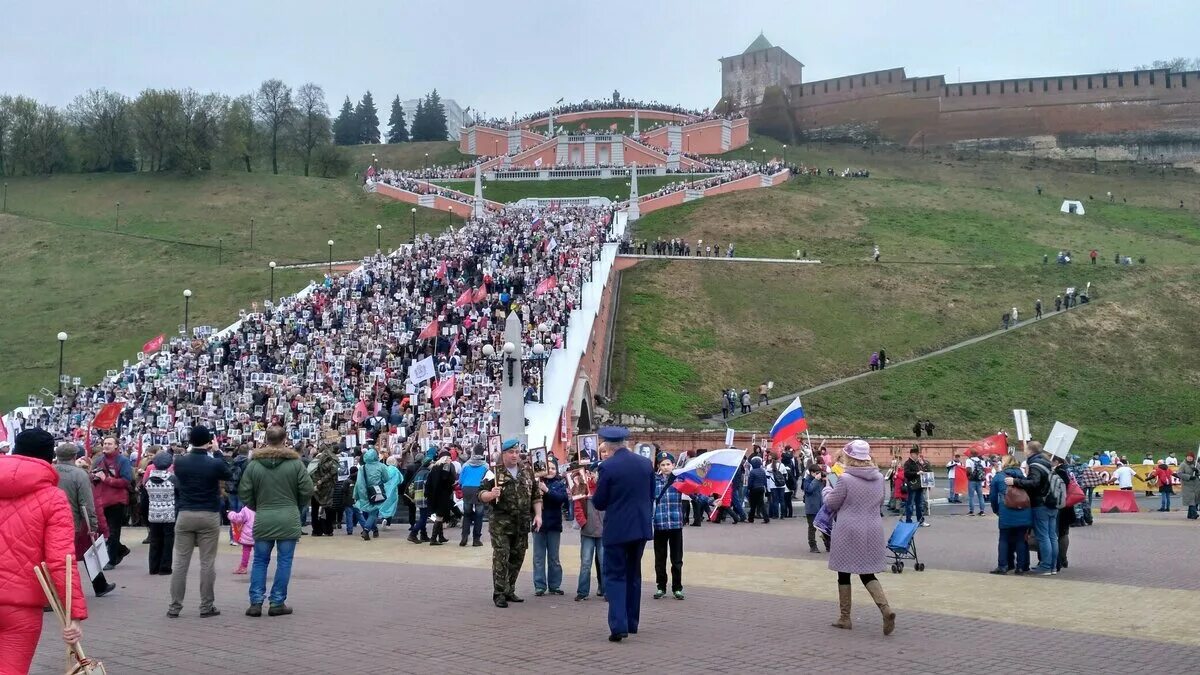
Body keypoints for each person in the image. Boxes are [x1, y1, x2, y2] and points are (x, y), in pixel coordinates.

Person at [1, 429, 88, 674]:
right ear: (49, 458)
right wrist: (74, 614)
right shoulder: (53, 498)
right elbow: (61, 560)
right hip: (22, 605)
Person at [237, 425, 314, 617]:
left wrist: (257, 505)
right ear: (284, 439)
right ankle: (277, 601)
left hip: (264, 516)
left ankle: (255, 602)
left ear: (266, 439)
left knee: (260, 561)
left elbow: (244, 492)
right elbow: (307, 489)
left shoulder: (254, 465)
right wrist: (296, 505)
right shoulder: (295, 464)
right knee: (284, 561)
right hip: (288, 516)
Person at [824, 440, 895, 636]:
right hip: (872, 528)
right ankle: (885, 609)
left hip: (848, 529)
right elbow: (880, 500)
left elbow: (832, 503)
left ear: (850, 457)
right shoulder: (879, 478)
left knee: (844, 572)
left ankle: (845, 617)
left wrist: (827, 489)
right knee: (867, 573)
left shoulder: (845, 479)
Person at [591, 426, 654, 642]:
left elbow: (599, 502)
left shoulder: (607, 467)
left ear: (608, 446)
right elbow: (651, 495)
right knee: (633, 573)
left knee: (615, 575)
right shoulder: (645, 464)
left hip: (617, 529)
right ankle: (632, 621)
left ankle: (618, 625)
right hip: (640, 527)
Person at [169, 425, 233, 618]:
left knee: (180, 562)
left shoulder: (179, 462)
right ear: (208, 441)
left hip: (185, 513)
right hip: (208, 513)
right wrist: (218, 452)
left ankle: (175, 606)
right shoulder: (213, 463)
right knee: (207, 562)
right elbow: (228, 473)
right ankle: (206, 605)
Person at [480, 438, 543, 608]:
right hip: (501, 524)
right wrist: (491, 495)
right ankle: (499, 592)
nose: (515, 455)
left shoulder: (527, 471)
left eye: (517, 452)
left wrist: (538, 515)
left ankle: (510, 589)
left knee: (517, 557)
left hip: (522, 523)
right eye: (511, 452)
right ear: (504, 454)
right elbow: (481, 494)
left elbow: (536, 496)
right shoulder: (494, 472)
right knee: (502, 556)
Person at [53, 442, 117, 595]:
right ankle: (95, 586)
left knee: (56, 557)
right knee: (83, 554)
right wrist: (93, 525)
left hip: (51, 520)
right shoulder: (79, 474)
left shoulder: (50, 471)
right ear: (74, 456)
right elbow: (87, 503)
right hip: (72, 522)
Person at [1005, 441, 1056, 576]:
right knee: (1052, 536)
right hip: (1052, 502)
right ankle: (1053, 565)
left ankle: (1045, 566)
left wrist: (1015, 481)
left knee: (1043, 536)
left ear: (1030, 450)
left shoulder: (1035, 464)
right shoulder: (1046, 462)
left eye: (1026, 448)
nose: (1024, 450)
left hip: (1040, 503)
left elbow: (1034, 483)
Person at [90, 435, 133, 570]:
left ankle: (111, 560)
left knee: (113, 531)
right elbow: (93, 477)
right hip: (101, 500)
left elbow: (126, 481)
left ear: (116, 446)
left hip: (116, 500)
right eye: (105, 443)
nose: (106, 446)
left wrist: (106, 479)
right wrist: (93, 476)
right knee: (103, 531)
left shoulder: (123, 461)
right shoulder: (98, 460)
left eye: (109, 443)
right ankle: (119, 550)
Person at [988, 454, 1031, 575]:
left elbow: (992, 497)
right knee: (1021, 539)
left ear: (1005, 464)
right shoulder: (1024, 477)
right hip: (1024, 511)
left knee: (1004, 539)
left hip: (1006, 511)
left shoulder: (999, 477)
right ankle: (1021, 566)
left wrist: (996, 510)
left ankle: (1003, 565)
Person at [651, 452, 685, 600]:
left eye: (668, 464)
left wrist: (711, 502)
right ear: (659, 466)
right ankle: (661, 587)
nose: (665, 467)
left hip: (675, 524)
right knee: (660, 558)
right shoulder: (653, 481)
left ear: (673, 465)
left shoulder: (679, 480)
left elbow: (695, 494)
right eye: (662, 465)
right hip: (659, 524)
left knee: (676, 559)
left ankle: (677, 587)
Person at [531, 458, 567, 596]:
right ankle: (539, 585)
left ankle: (555, 585)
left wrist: (547, 491)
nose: (550, 470)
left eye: (553, 468)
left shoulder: (559, 484)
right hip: (538, 525)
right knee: (538, 557)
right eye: (548, 468)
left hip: (554, 525)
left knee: (554, 558)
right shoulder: (537, 483)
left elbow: (561, 499)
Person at [143, 450, 179, 576]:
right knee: (168, 541)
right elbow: (180, 494)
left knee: (154, 540)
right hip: (169, 513)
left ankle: (153, 567)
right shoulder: (173, 479)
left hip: (153, 513)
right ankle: (165, 567)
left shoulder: (148, 480)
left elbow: (144, 499)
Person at [573, 462, 605, 601]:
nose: (597, 475)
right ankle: (582, 591)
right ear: (590, 474)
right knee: (586, 562)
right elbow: (577, 506)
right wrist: (583, 522)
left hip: (604, 532)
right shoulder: (583, 487)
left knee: (604, 562)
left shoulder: (606, 488)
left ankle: (606, 590)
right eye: (595, 472)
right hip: (588, 531)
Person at [356, 449, 389, 541]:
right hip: (377, 491)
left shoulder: (362, 468)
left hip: (364, 492)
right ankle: (366, 530)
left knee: (368, 512)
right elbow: (386, 478)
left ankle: (374, 529)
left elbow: (358, 483)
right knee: (374, 512)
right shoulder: (381, 466)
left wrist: (356, 494)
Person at [459, 445, 488, 546]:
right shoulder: (485, 466)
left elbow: (460, 480)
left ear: (474, 452)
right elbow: (488, 479)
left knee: (467, 514)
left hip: (467, 489)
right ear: (483, 453)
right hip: (479, 489)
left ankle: (464, 537)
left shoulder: (466, 464)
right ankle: (476, 539)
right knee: (479, 515)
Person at [308, 442, 339, 537]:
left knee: (314, 509)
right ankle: (328, 529)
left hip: (315, 488)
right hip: (328, 488)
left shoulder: (315, 459)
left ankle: (316, 530)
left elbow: (309, 472)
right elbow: (334, 472)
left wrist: (316, 483)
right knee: (328, 509)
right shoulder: (332, 459)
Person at [425, 452, 455, 546]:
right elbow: (445, 478)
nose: (451, 460)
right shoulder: (446, 466)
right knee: (440, 516)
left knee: (440, 515)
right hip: (442, 494)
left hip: (434, 494)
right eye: (449, 458)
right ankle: (433, 538)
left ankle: (441, 536)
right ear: (446, 458)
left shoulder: (434, 467)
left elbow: (429, 482)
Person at [1053, 457, 1076, 572]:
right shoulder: (1069, 470)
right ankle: (1063, 558)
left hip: (1061, 506)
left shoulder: (1059, 472)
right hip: (1068, 505)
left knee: (1060, 533)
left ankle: (1060, 559)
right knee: (1064, 533)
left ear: (1057, 461)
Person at [802, 463, 830, 553]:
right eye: (816, 473)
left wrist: (826, 480)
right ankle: (813, 546)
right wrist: (815, 480)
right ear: (811, 473)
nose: (818, 474)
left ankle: (828, 545)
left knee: (824, 527)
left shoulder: (821, 480)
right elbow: (809, 490)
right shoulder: (807, 480)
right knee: (812, 528)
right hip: (811, 508)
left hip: (821, 507)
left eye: (819, 472)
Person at [227, 503, 255, 575]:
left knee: (246, 551)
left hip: (247, 536)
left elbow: (238, 518)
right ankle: (258, 568)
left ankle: (243, 567)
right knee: (259, 554)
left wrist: (231, 513)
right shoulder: (263, 509)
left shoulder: (246, 509)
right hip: (259, 535)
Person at [902, 447, 927, 526]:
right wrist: (916, 473)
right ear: (912, 454)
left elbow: (924, 470)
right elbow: (906, 473)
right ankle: (908, 520)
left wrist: (922, 465)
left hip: (919, 485)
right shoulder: (907, 463)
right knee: (910, 504)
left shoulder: (918, 463)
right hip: (912, 486)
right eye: (916, 454)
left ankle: (920, 521)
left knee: (920, 504)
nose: (917, 456)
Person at [746, 456, 769, 523]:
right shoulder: (762, 471)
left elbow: (750, 482)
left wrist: (748, 488)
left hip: (754, 489)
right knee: (761, 504)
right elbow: (765, 481)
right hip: (761, 488)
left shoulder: (752, 472)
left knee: (753, 505)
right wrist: (766, 488)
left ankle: (751, 519)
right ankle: (766, 518)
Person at [1178, 453, 1200, 520]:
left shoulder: (1196, 464)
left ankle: (1190, 515)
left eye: (1191, 457)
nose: (1189, 458)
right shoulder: (1183, 464)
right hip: (1187, 485)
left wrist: (1197, 471)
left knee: (1195, 500)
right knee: (1191, 500)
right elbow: (1179, 474)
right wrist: (1189, 477)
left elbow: (1199, 472)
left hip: (1196, 485)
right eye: (1188, 457)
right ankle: (1195, 513)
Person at [965, 451, 987, 516]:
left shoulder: (968, 460)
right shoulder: (982, 461)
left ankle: (971, 511)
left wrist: (968, 476)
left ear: (971, 454)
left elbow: (968, 470)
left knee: (971, 496)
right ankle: (982, 511)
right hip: (979, 480)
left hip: (972, 480)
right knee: (980, 496)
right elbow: (984, 470)